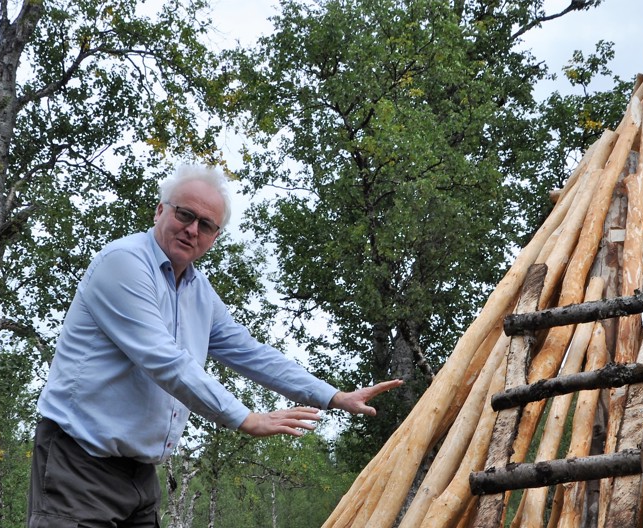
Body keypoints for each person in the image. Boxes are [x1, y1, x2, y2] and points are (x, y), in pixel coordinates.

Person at [28, 164, 403, 527]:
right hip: (79, 462)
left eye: (205, 225)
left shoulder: (197, 291)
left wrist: (333, 396)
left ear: (214, 237)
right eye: (185, 215)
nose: (192, 230)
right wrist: (245, 418)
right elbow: (165, 361)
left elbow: (249, 352)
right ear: (160, 210)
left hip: (139, 475)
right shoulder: (123, 264)